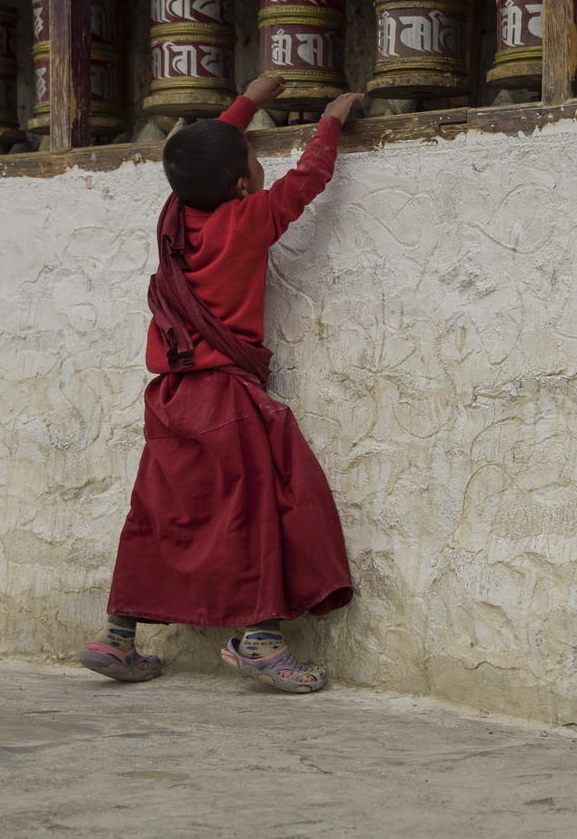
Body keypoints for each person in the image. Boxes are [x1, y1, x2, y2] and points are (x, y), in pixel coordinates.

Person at [78, 75, 363, 694]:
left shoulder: (175, 218)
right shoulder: (249, 221)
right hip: (226, 398)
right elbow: (306, 182)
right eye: (255, 161)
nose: (262, 166)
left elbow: (203, 149)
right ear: (241, 183)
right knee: (257, 511)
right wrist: (331, 123)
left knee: (158, 512)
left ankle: (118, 635)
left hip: (171, 397)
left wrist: (250, 101)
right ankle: (259, 640)